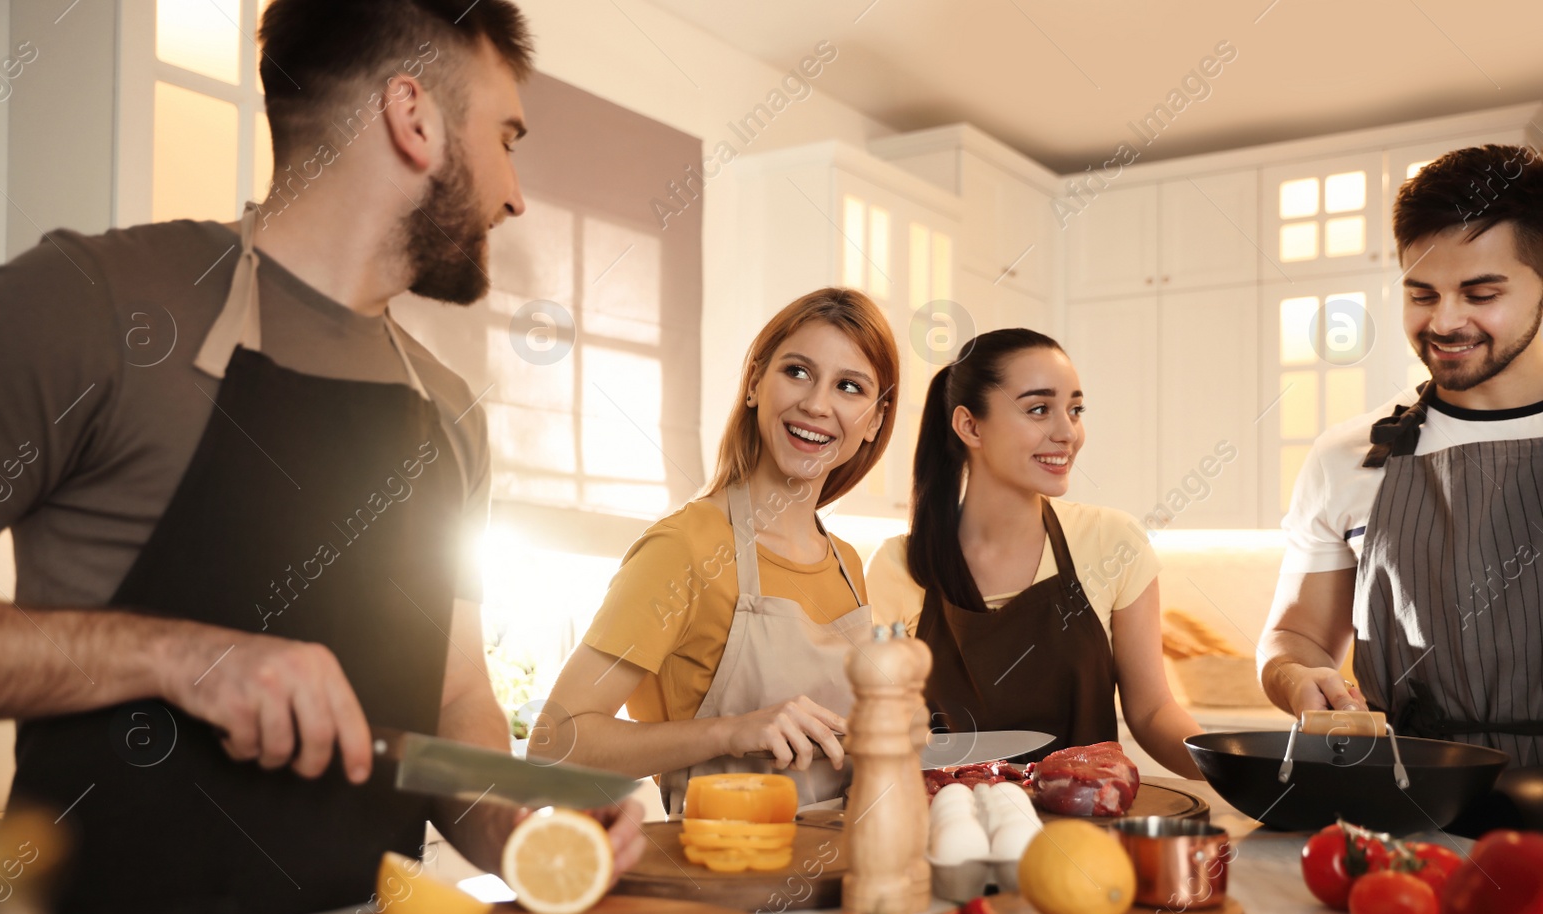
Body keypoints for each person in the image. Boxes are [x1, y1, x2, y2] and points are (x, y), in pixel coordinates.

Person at [0, 0, 642, 914]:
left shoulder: (448, 411)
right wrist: (174, 656)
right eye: (507, 137)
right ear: (415, 118)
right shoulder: (85, 308)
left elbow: (453, 698)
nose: (516, 194)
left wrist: (518, 816)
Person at [529, 289, 898, 811]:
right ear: (754, 384)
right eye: (796, 372)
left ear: (875, 421)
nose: (817, 404)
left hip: (845, 870)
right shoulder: (684, 548)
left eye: (849, 386)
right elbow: (554, 746)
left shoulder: (846, 562)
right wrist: (732, 732)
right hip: (720, 876)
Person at [1259, 144, 1543, 767]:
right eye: (1421, 294)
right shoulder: (1348, 458)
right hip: (1408, 807)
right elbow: (1297, 636)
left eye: (1479, 293)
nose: (1445, 322)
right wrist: (1297, 678)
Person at [866, 328, 1204, 777]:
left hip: (1083, 831)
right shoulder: (897, 567)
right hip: (942, 831)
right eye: (1039, 409)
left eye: (1075, 409)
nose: (1068, 433)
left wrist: (1231, 767)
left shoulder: (1112, 541)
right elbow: (882, 724)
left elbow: (1152, 711)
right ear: (970, 425)